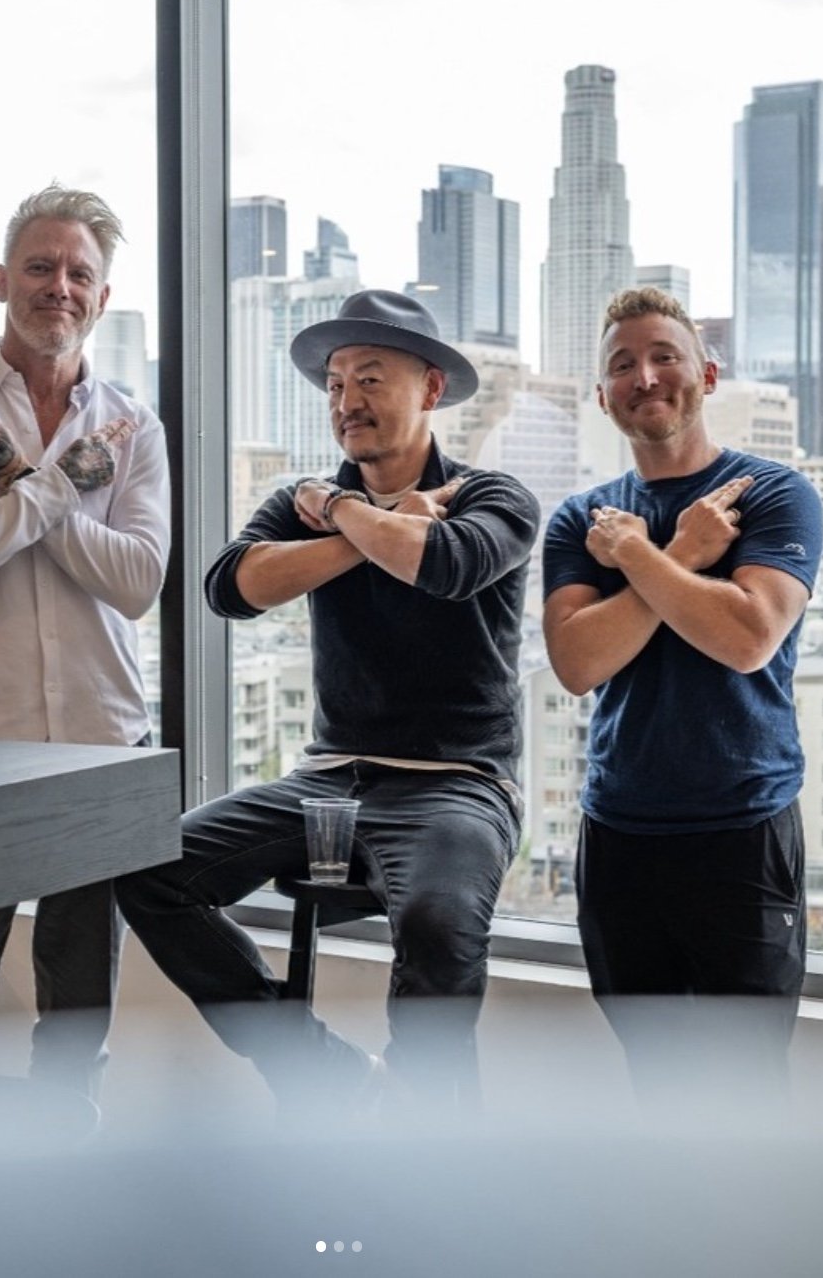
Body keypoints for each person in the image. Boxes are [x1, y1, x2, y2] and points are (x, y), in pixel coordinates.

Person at [116, 289, 539, 1111]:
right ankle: (320, 1069)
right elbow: (229, 588)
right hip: (329, 782)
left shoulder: (494, 496)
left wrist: (338, 512)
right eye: (337, 384)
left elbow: (445, 564)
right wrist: (360, 528)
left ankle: (423, 1134)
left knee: (439, 926)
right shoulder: (302, 503)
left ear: (431, 389)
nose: (347, 402)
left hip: (458, 784)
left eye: (370, 379)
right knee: (150, 873)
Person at [0, 183, 170, 1095]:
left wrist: (16, 489)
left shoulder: (134, 428)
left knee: (80, 1005)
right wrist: (57, 489)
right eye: (41, 267)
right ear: (2, 278)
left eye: (79, 272)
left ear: (103, 296)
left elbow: (137, 583)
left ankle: (68, 1171)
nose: (60, 286)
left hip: (98, 742)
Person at [542, 286, 823, 1103]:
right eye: (623, 364)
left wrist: (638, 558)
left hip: (741, 831)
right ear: (603, 397)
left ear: (705, 372)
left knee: (747, 1091)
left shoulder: (771, 493)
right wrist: (684, 557)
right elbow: (577, 661)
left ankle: (749, 1236)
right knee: (656, 1084)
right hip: (621, 835)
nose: (646, 375)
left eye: (664, 356)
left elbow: (745, 638)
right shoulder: (582, 519)